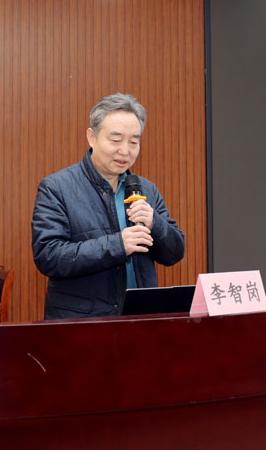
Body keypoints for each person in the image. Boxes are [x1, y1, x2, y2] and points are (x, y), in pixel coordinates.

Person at [31, 93, 185, 320]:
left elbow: (174, 253)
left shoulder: (146, 189)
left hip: (138, 320)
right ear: (91, 137)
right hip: (82, 325)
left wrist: (155, 223)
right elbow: (49, 256)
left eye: (133, 142)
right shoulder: (56, 188)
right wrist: (118, 245)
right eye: (115, 140)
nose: (125, 151)